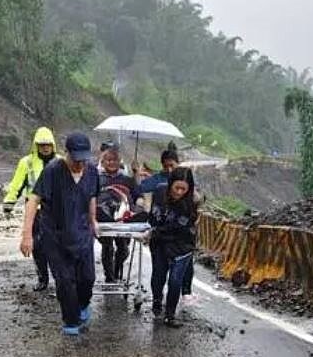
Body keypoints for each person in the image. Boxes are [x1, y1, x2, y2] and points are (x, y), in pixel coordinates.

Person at [20, 133, 100, 336]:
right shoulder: (53, 171)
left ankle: (82, 306)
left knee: (88, 278)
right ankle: (71, 323)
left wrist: (93, 220)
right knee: (65, 281)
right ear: (66, 154)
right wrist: (27, 235)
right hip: (56, 236)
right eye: (76, 160)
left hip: (82, 234)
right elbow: (33, 201)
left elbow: (91, 196)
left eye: (83, 160)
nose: (80, 165)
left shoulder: (91, 171)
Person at [137, 145, 199, 302]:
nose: (170, 169)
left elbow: (196, 202)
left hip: (180, 239)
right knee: (159, 273)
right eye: (166, 166)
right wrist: (136, 174)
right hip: (161, 237)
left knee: (180, 273)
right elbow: (142, 190)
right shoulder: (159, 186)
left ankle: (184, 294)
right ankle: (157, 302)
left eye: (172, 165)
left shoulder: (187, 186)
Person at [4, 127, 58, 291]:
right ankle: (42, 278)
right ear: (36, 145)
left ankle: (60, 278)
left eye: (48, 144)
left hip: (56, 211)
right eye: (41, 145)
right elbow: (16, 185)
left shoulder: (61, 162)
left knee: (57, 245)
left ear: (53, 144)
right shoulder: (26, 162)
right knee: (38, 246)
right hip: (34, 210)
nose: (45, 147)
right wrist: (9, 203)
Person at [148, 167, 197, 328]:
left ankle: (170, 315)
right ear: (170, 185)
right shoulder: (159, 192)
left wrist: (154, 232)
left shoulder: (191, 203)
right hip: (160, 243)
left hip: (182, 244)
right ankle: (156, 300)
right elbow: (153, 215)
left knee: (175, 281)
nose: (180, 192)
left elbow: (177, 226)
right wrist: (151, 229)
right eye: (177, 188)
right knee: (158, 275)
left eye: (184, 189)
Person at [96, 144, 137, 282]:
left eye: (114, 160)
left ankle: (116, 268)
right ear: (103, 162)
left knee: (124, 249)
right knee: (107, 248)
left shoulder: (126, 179)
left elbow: (137, 196)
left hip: (123, 222)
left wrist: (136, 174)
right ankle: (110, 276)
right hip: (103, 220)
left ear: (119, 162)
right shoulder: (97, 178)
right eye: (108, 160)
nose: (111, 162)